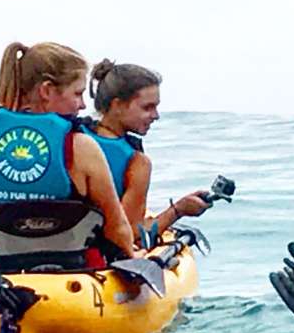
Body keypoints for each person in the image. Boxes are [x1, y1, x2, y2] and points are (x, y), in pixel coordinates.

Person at [0, 42, 135, 267]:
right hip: (77, 278)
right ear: (47, 91)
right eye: (77, 93)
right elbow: (117, 229)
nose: (82, 105)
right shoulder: (82, 148)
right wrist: (135, 258)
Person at [83, 59, 211, 241]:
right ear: (117, 105)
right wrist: (178, 210)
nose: (156, 115)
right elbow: (132, 233)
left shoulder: (72, 134)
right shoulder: (137, 162)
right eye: (147, 107)